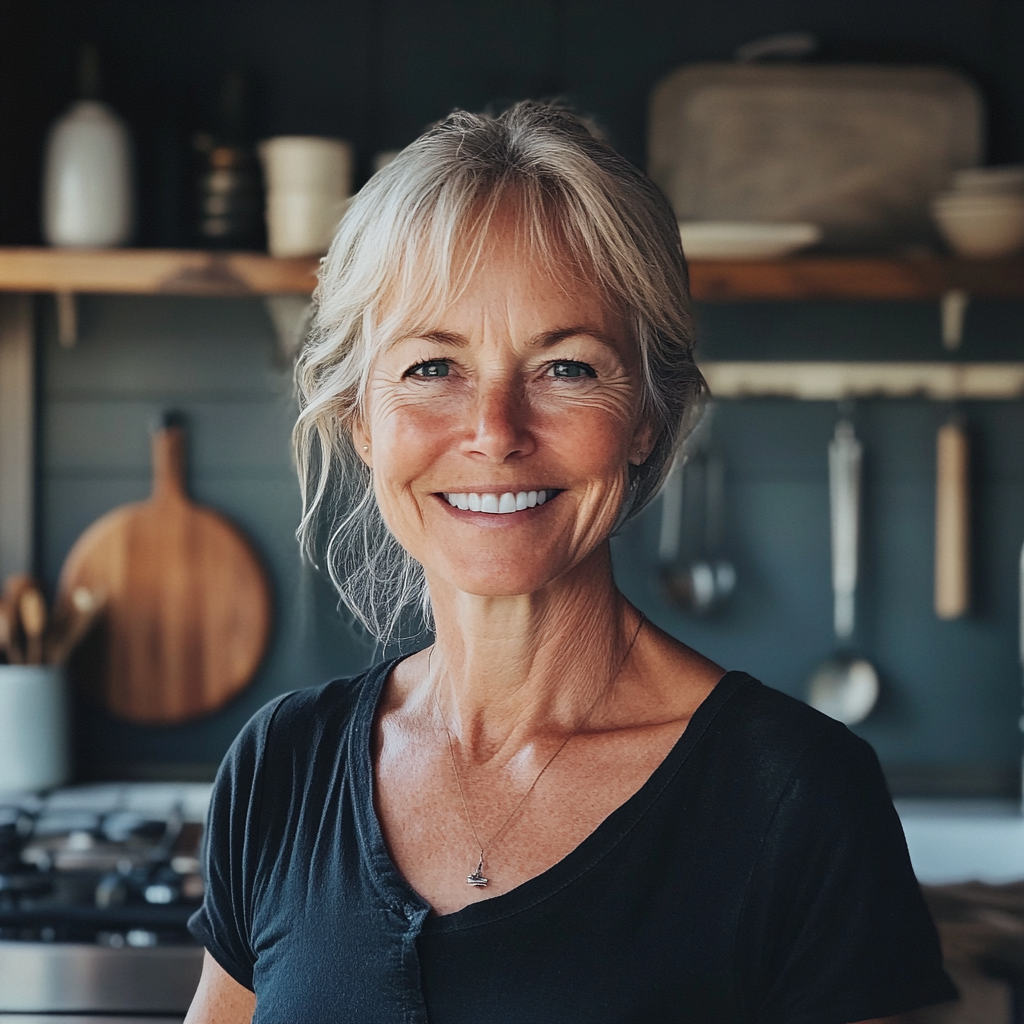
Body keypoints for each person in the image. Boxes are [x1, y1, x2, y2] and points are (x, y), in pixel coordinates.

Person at [184, 102, 956, 1024]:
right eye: (433, 366)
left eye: (567, 368)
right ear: (361, 419)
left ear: (646, 420)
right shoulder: (281, 768)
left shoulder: (796, 796)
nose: (495, 433)